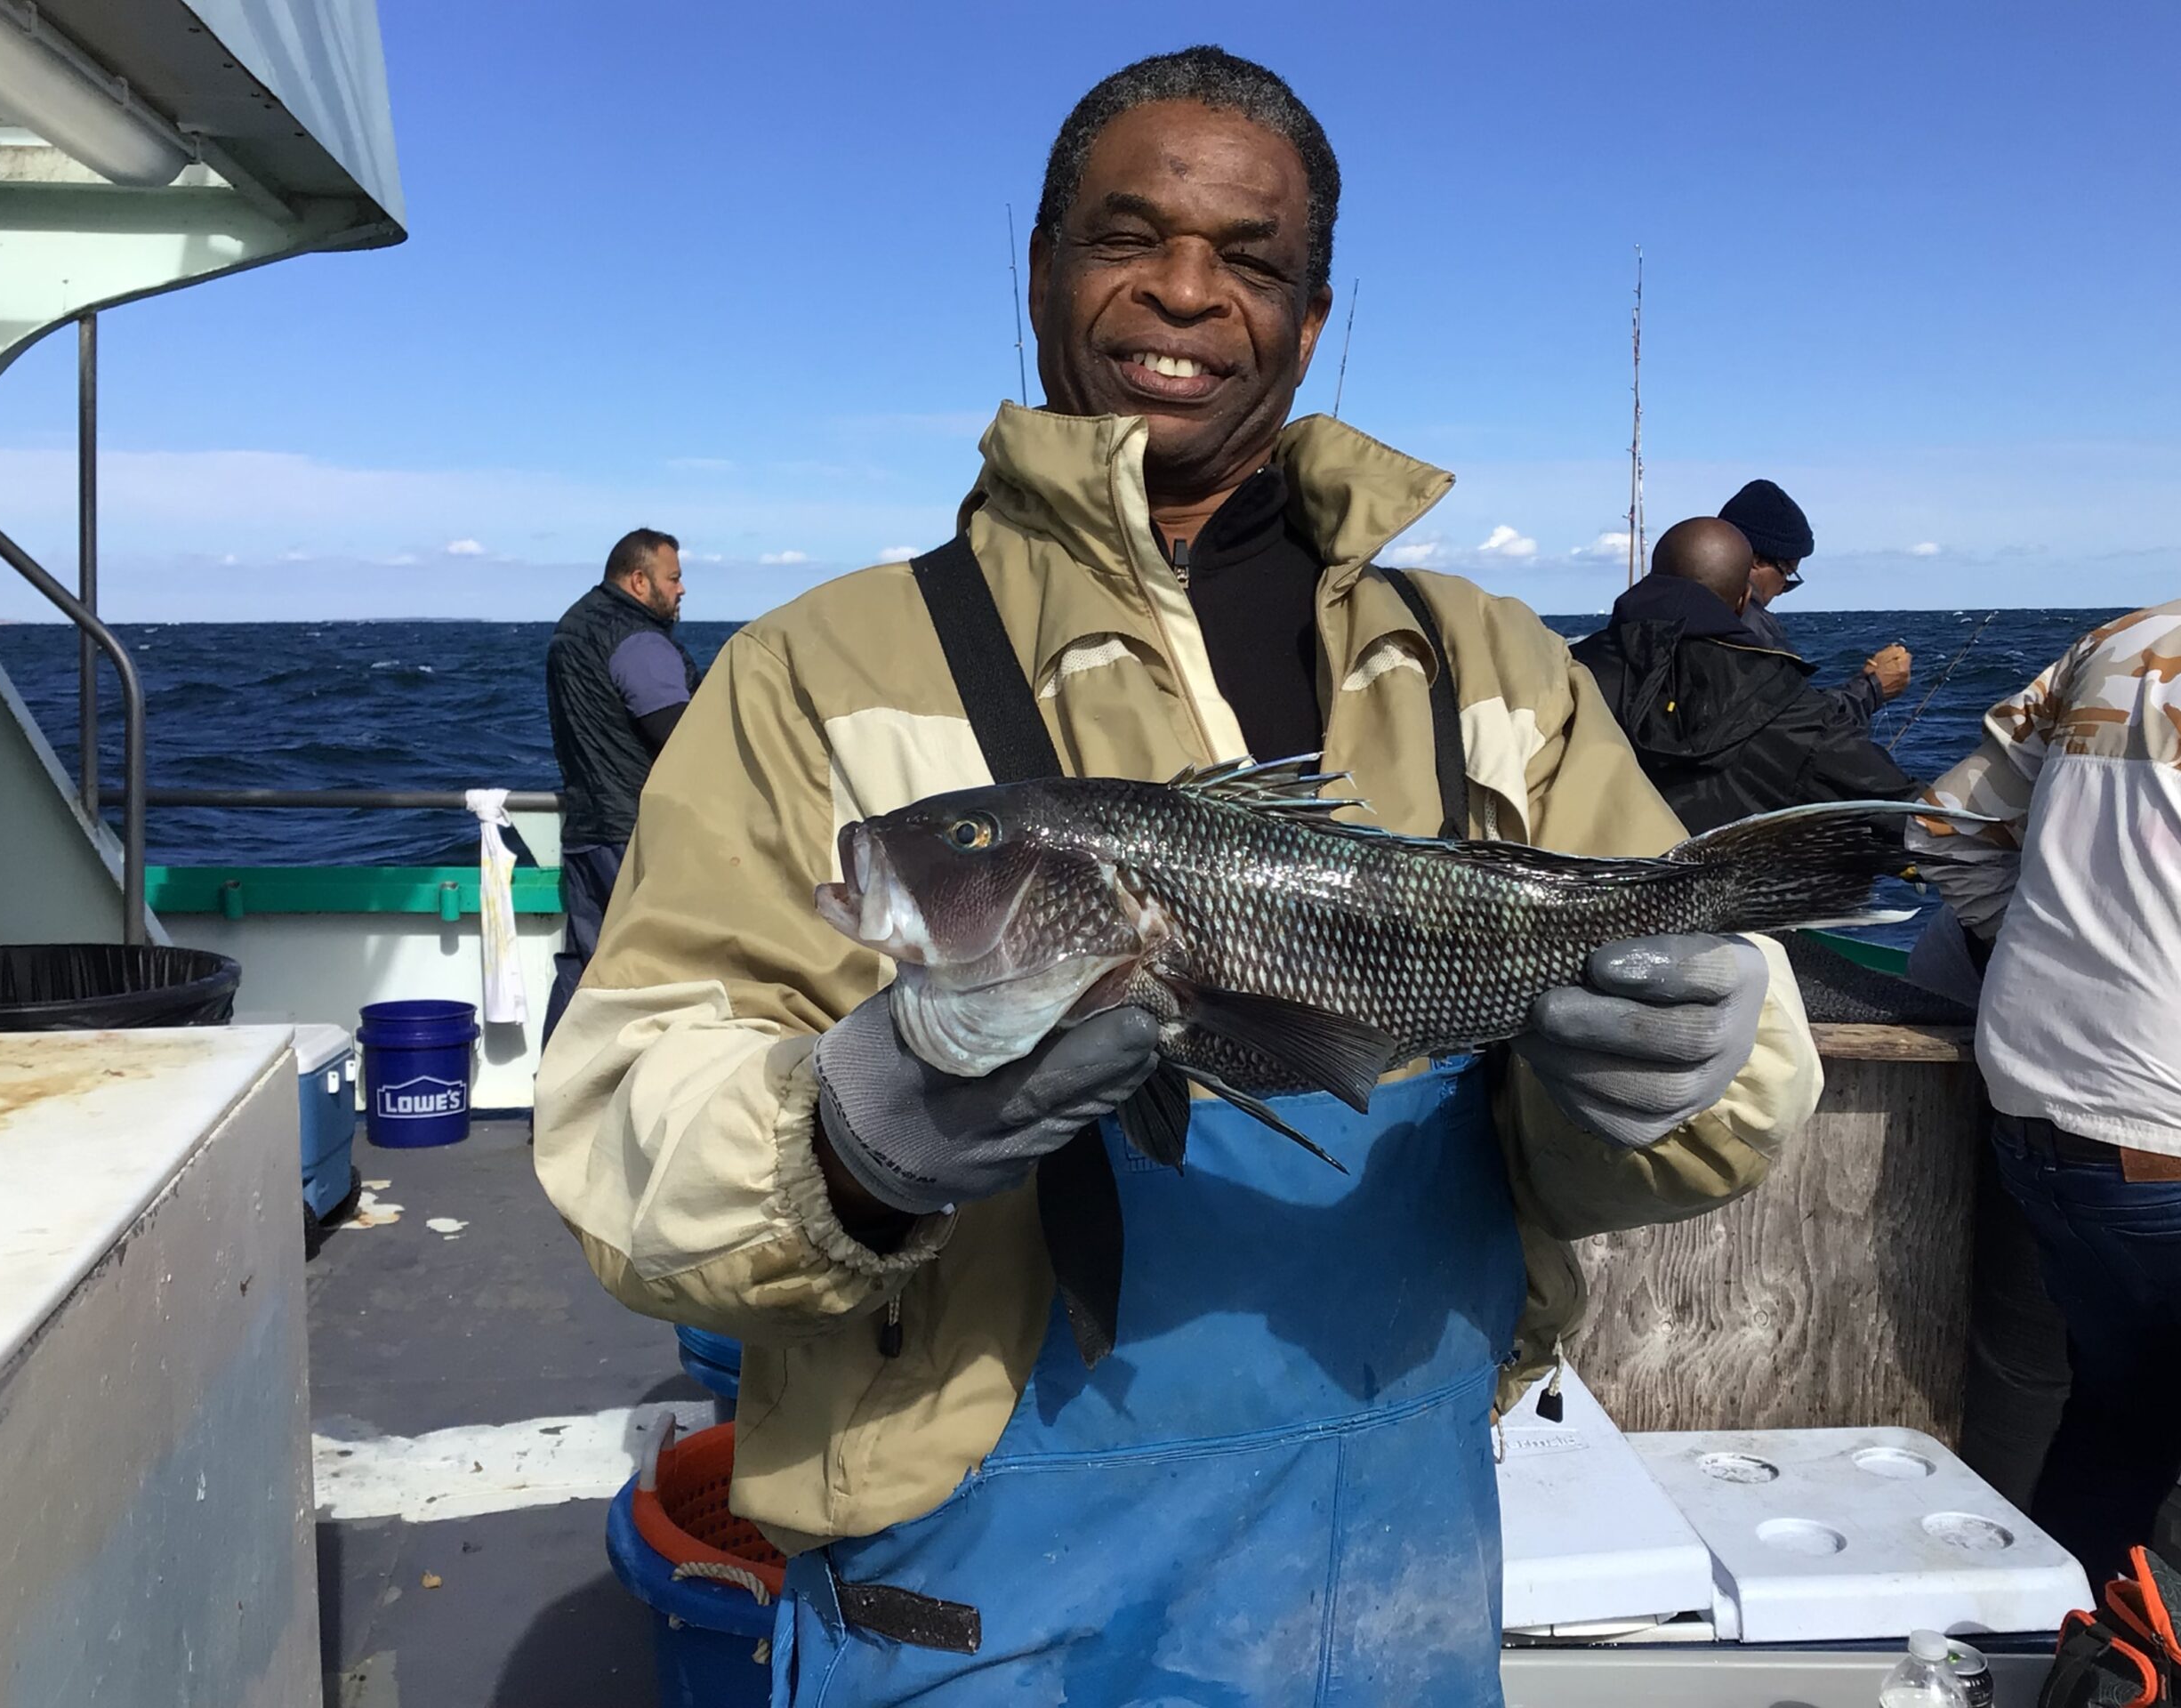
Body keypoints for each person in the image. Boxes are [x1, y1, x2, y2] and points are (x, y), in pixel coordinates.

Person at [535, 48, 1823, 1706]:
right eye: (1126, 233)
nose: (1187, 291)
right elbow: (617, 1120)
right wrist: (847, 1142)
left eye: (1256, 260)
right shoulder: (812, 670)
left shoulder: (1492, 663)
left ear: (1313, 308)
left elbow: (1685, 1114)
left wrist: (1680, 1071)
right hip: (977, 1604)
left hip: (1392, 1563)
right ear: (1044, 268)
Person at [1910, 592, 2181, 1590]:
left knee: (2121, 1419)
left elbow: (1939, 826)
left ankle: (2081, 1657)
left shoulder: (2128, 636)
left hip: (2045, 1123)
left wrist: (2047, 949)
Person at [1572, 517, 1914, 832]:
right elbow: (1914, 820)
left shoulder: (1569, 671)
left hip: (1588, 887)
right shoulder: (1780, 699)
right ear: (1743, 600)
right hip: (1714, 894)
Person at [540, 527, 699, 1044]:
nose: (680, 590)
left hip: (587, 829)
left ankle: (557, 1104)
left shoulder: (574, 626)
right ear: (638, 581)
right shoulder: (636, 640)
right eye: (672, 578)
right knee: (656, 969)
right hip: (632, 833)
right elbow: (677, 733)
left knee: (584, 965)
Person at [1719, 477, 1912, 725]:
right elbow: (1796, 729)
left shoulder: (1669, 613)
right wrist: (1873, 688)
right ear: (1755, 559)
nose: (1781, 591)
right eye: (1787, 573)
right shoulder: (1744, 628)